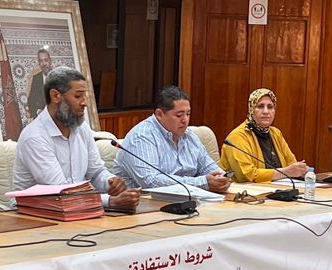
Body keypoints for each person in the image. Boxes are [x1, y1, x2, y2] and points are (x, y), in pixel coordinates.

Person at [13, 67, 140, 211]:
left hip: (78, 210)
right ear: (55, 96)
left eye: (84, 96)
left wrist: (110, 182)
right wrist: (110, 201)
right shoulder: (35, 137)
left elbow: (96, 173)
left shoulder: (82, 128)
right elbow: (60, 191)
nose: (84, 103)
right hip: (32, 214)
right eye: (78, 96)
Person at [118, 86, 230, 194]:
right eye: (179, 115)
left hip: (185, 199)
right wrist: (202, 182)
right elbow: (151, 182)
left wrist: (221, 178)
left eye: (188, 114)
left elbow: (208, 167)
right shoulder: (142, 137)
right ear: (159, 114)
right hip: (144, 202)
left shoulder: (189, 136)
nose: (185, 120)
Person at [221, 88, 309, 183]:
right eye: (260, 106)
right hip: (246, 190)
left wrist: (301, 171)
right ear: (251, 109)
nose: (266, 111)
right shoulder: (237, 136)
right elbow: (247, 175)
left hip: (279, 188)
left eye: (270, 107)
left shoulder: (276, 133)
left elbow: (291, 163)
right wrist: (286, 172)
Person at [24, 47, 54, 118]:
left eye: (46, 60)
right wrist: (38, 111)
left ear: (50, 61)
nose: (44, 64)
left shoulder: (58, 77)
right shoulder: (36, 78)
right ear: (38, 63)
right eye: (41, 61)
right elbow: (31, 100)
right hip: (41, 117)